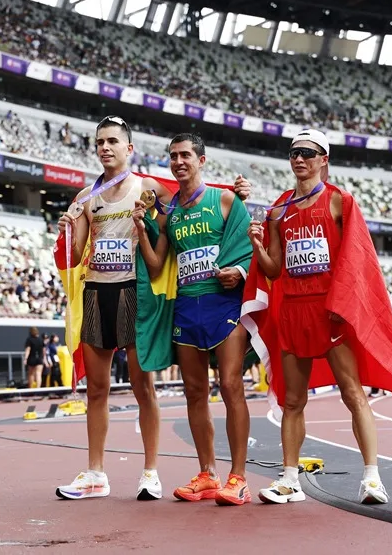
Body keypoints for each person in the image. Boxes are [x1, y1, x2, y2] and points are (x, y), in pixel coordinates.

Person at [54, 115, 251, 501]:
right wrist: (64, 230)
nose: (105, 148)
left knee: (144, 386)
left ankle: (150, 472)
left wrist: (238, 191)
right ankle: (96, 473)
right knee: (97, 389)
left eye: (113, 141)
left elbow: (190, 198)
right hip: (96, 291)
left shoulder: (148, 187)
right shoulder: (83, 199)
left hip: (135, 292)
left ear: (130, 149)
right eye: (99, 143)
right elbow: (73, 256)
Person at [243, 129, 392, 505]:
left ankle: (372, 478)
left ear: (324, 159)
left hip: (329, 311)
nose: (299, 159)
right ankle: (290, 480)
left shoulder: (339, 202)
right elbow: (273, 271)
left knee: (353, 394)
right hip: (293, 311)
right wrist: (258, 246)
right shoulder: (279, 210)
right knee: (292, 402)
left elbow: (357, 259)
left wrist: (342, 307)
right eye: (293, 153)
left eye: (308, 152)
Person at [135, 133, 254, 506]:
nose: (179, 161)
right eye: (173, 156)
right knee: (194, 392)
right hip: (187, 307)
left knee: (232, 385)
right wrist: (140, 229)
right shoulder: (171, 214)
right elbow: (156, 266)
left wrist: (238, 270)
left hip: (223, 306)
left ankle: (239, 478)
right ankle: (207, 473)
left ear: (201, 160)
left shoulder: (224, 199)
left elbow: (250, 245)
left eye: (186, 154)